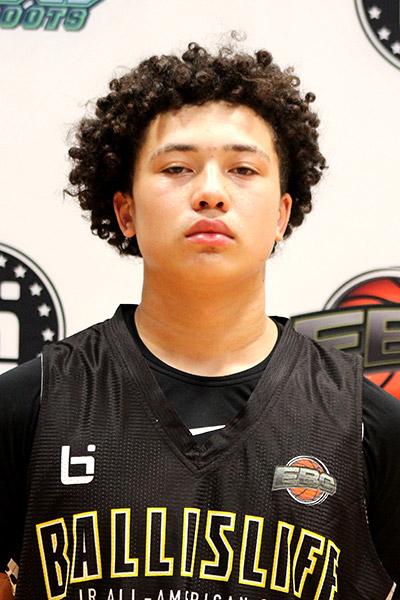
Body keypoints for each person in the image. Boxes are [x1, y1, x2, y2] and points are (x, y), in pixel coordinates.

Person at [1, 41, 400, 600]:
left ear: (281, 213)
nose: (210, 192)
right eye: (177, 168)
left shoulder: (368, 426)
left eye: (243, 169)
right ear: (126, 211)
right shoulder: (32, 407)